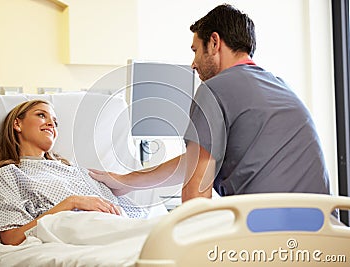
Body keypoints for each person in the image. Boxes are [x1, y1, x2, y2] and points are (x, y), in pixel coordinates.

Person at [90, 4, 331, 202]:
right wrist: (127, 181)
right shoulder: (281, 87)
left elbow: (196, 195)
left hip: (266, 238)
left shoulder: (214, 90)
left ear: (214, 43)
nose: (193, 64)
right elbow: (196, 161)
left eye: (195, 50)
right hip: (323, 234)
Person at [0, 100, 148, 246]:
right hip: (75, 229)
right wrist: (72, 202)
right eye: (41, 115)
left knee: (162, 232)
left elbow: (124, 209)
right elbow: (12, 238)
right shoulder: (10, 174)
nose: (51, 124)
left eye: (55, 122)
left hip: (115, 226)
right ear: (17, 124)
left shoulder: (76, 171)